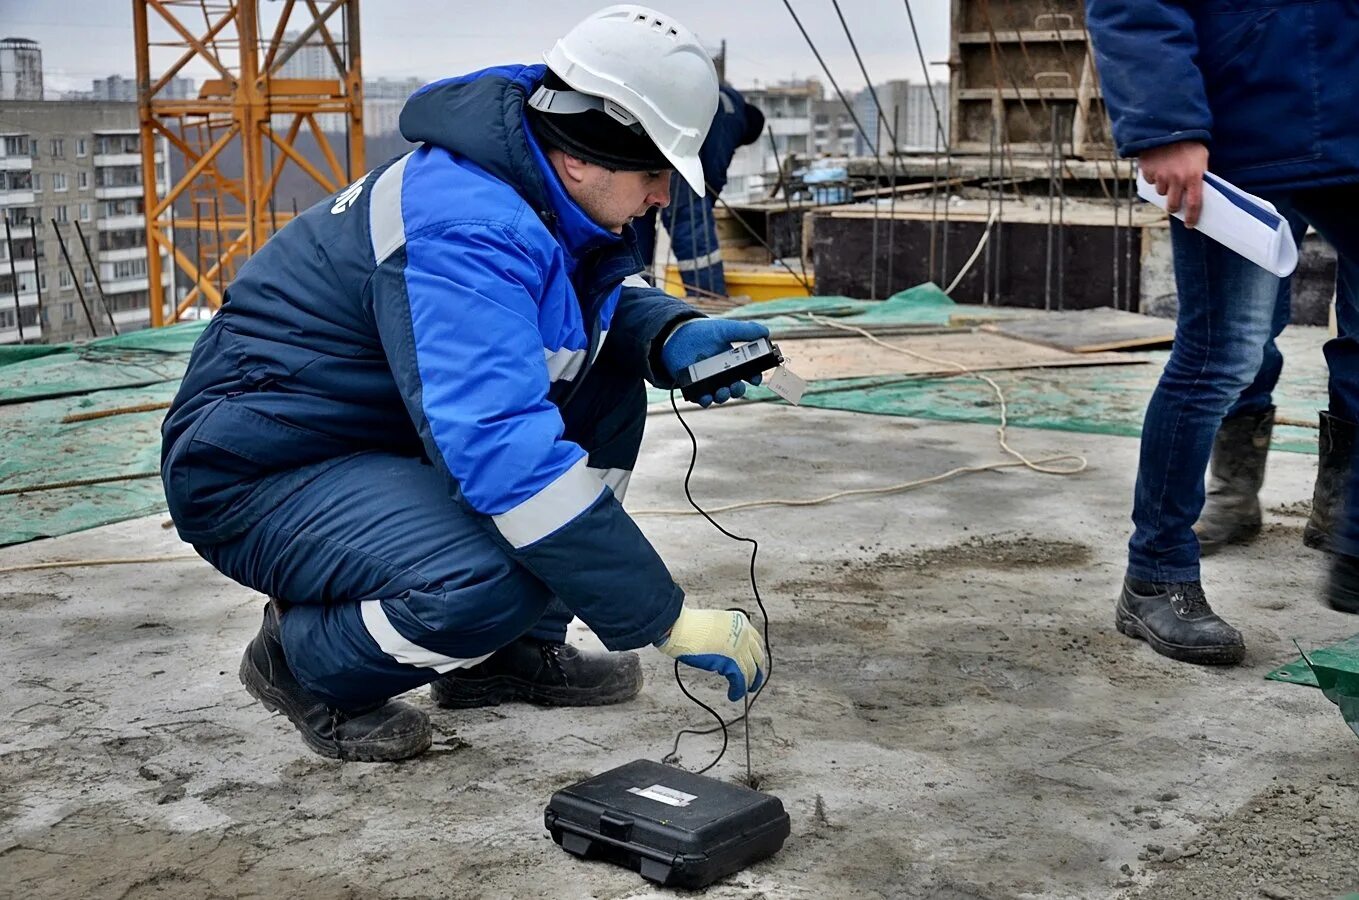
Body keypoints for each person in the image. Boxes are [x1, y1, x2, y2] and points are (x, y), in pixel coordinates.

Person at [160, 5, 770, 762]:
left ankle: (507, 657)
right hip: (261, 470)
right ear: (583, 156)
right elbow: (500, 451)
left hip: (368, 436)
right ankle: (306, 661)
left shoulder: (535, 181)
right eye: (654, 176)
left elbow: (551, 300)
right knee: (482, 578)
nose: (659, 200)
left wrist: (664, 331)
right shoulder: (469, 224)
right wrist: (666, 617)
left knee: (606, 382)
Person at [1086, 0, 1359, 664]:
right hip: (1241, 129)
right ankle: (1156, 574)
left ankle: (1349, 534)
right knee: (1222, 355)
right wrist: (1164, 122)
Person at [631, 82, 765, 297]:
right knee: (693, 228)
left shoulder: (718, 93)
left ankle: (636, 294)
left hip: (645, 147)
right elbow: (715, 167)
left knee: (637, 220)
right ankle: (708, 297)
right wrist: (705, 203)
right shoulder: (733, 115)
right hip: (678, 157)